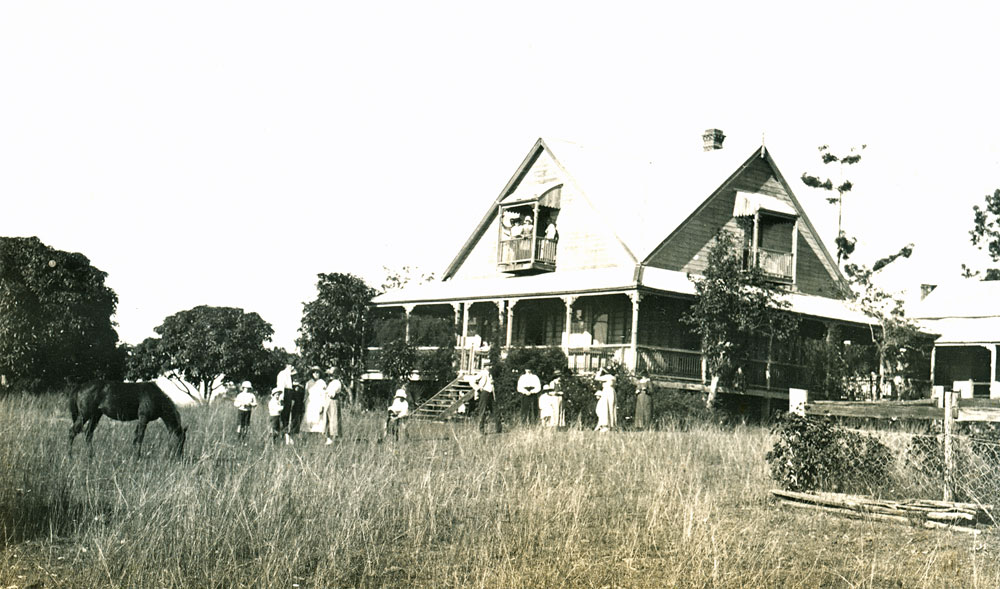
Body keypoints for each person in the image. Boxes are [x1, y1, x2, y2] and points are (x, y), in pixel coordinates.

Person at [472, 358, 501, 434]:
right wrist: (478, 388)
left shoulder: (490, 374)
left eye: (490, 365)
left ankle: (499, 430)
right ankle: (481, 430)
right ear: (485, 366)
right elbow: (472, 381)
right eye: (489, 366)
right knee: (482, 411)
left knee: (496, 410)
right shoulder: (482, 373)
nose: (490, 367)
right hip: (484, 393)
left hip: (491, 394)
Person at [275, 363, 298, 444]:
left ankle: (286, 436)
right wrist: (281, 399)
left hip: (289, 395)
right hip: (284, 395)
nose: (292, 367)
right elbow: (280, 387)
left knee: (288, 417)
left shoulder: (291, 375)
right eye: (291, 365)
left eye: (293, 365)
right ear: (287, 365)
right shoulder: (282, 374)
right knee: (282, 416)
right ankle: (280, 436)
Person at [302, 367, 327, 435]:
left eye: (317, 372)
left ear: (320, 374)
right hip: (310, 403)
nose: (315, 374)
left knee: (318, 419)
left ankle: (317, 434)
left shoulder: (322, 383)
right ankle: (309, 433)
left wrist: (322, 405)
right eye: (314, 372)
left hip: (318, 403)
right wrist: (304, 403)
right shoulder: (309, 383)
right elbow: (306, 394)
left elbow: (324, 395)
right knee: (309, 418)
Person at [324, 366, 346, 444]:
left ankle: (334, 437)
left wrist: (326, 392)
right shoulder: (331, 383)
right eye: (330, 375)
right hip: (328, 401)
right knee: (327, 418)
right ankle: (328, 437)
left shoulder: (337, 382)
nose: (331, 376)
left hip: (333, 401)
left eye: (332, 374)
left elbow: (332, 394)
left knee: (334, 418)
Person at [594, 367, 617, 433]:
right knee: (611, 408)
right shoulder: (613, 377)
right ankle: (611, 424)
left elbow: (596, 378)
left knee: (605, 408)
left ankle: (605, 425)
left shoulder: (608, 377)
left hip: (607, 392)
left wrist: (600, 371)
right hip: (612, 392)